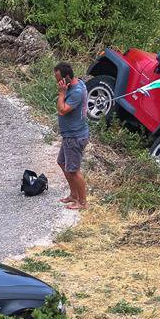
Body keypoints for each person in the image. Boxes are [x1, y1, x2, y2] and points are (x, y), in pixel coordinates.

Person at [54, 62, 89, 210]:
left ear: (67, 77)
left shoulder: (76, 92)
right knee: (62, 162)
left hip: (75, 136)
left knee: (74, 170)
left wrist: (62, 93)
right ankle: (74, 195)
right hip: (69, 135)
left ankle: (83, 202)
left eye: (59, 79)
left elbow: (62, 110)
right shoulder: (76, 83)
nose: (58, 83)